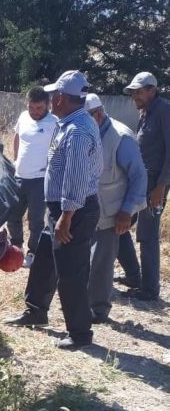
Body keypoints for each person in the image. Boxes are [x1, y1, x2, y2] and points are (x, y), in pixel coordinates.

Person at [6, 71, 102, 350]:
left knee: (71, 272)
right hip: (59, 209)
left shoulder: (77, 131)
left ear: (59, 98)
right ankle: (35, 310)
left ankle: (80, 333)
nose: (48, 101)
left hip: (73, 211)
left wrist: (66, 217)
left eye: (51, 97)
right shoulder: (70, 123)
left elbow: (76, 178)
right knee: (44, 261)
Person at [84, 94, 147, 323]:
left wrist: (127, 211)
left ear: (98, 115)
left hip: (112, 212)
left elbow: (139, 177)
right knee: (85, 260)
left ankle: (98, 311)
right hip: (86, 208)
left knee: (100, 263)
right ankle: (83, 302)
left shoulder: (121, 138)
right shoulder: (86, 133)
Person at [116, 72, 170, 301]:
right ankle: (133, 276)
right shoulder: (145, 113)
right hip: (139, 184)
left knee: (147, 236)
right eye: (133, 92)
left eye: (139, 91)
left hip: (154, 186)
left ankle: (149, 290)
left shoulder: (164, 111)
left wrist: (161, 186)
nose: (134, 96)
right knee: (118, 224)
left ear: (152, 90)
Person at [7, 86, 57, 268]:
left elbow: (58, 149)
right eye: (32, 107)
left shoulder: (54, 123)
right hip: (19, 176)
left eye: (39, 108)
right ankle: (16, 247)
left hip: (40, 179)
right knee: (12, 214)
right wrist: (15, 159)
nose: (35, 112)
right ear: (27, 104)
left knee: (35, 219)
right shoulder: (22, 117)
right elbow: (17, 137)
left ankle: (32, 251)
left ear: (48, 105)